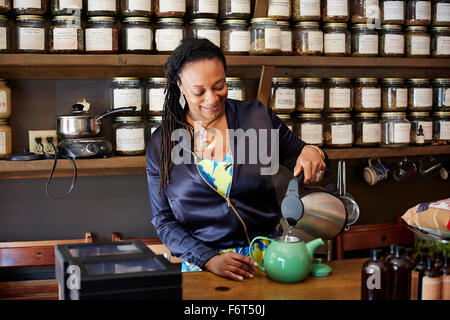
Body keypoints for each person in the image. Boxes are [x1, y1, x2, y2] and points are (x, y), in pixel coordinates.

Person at [146, 38, 327, 281]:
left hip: (270, 262)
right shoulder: (162, 144)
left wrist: (314, 152)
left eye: (219, 86)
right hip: (204, 270)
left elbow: (302, 154)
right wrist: (208, 259)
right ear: (180, 86)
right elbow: (163, 220)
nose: (211, 99)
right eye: (199, 91)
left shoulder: (257, 118)